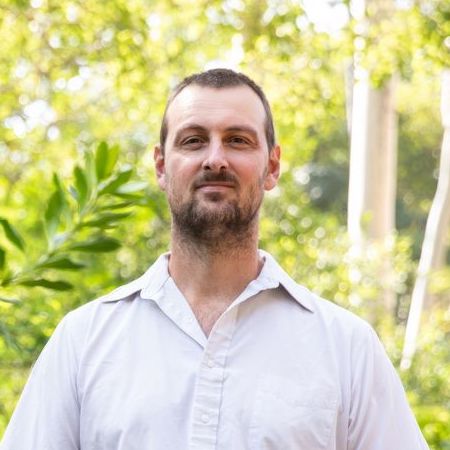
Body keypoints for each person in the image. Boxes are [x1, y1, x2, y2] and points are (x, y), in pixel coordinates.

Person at [1, 68, 428, 450]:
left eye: (238, 141)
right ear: (162, 166)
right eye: (193, 140)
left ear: (272, 166)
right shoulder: (83, 342)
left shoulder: (347, 349)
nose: (216, 159)